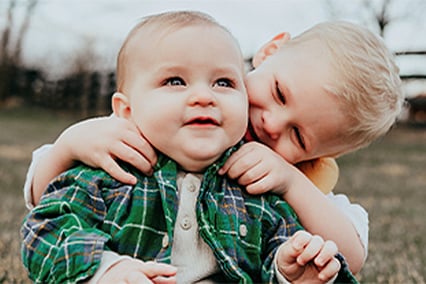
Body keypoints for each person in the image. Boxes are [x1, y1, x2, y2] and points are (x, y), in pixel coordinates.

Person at [23, 14, 403, 274]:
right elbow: (48, 198)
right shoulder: (164, 117)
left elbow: (349, 256)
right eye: (278, 93)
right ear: (269, 53)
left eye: (299, 136)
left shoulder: (298, 179)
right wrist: (68, 146)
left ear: (320, 155)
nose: (270, 124)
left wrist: (289, 180)